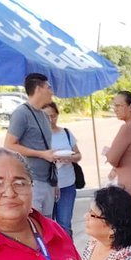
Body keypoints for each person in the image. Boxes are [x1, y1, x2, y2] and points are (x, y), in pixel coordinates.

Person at [4, 72, 59, 218]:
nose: (51, 92)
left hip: (48, 180)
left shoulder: (44, 115)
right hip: (31, 180)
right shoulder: (21, 113)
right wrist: (41, 154)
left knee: (47, 224)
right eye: (49, 87)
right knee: (33, 224)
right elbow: (9, 144)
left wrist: (55, 182)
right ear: (39, 89)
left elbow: (46, 147)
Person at [44, 101, 82, 237]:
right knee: (46, 224)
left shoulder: (66, 133)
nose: (50, 120)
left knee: (64, 224)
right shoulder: (39, 135)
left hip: (67, 183)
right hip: (47, 185)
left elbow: (78, 155)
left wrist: (69, 158)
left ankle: (68, 256)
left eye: (53, 116)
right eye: (47, 116)